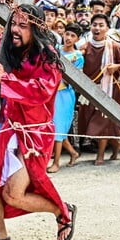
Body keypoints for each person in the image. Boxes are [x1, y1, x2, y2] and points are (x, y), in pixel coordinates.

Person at [0, 4, 77, 240]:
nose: (15, 30)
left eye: (22, 25)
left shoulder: (47, 56)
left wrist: (5, 79)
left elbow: (42, 90)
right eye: (13, 24)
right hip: (11, 129)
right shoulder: (8, 46)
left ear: (35, 29)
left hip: (35, 135)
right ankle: (0, 237)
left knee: (13, 194)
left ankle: (61, 210)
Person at [78, 13, 120, 166]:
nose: (97, 28)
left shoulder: (114, 46)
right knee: (88, 121)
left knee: (102, 122)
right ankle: (116, 144)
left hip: (109, 90)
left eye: (101, 25)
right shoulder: (84, 46)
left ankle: (100, 155)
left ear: (107, 28)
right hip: (89, 90)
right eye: (95, 25)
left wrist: (117, 67)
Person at [47, 23, 83, 173]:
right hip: (52, 92)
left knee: (59, 127)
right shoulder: (56, 50)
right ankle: (74, 153)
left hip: (65, 94)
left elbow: (74, 79)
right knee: (56, 127)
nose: (68, 38)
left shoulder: (78, 56)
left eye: (72, 36)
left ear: (77, 39)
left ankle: (56, 162)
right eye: (67, 34)